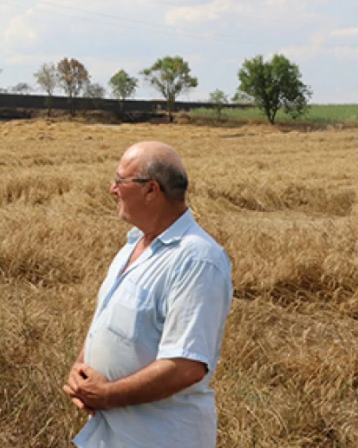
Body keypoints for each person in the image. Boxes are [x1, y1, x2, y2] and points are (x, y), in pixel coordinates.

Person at [63, 141, 233, 448]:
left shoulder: (197, 260)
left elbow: (186, 366)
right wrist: (80, 369)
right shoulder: (133, 245)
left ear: (151, 190)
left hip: (160, 437)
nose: (112, 189)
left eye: (120, 181)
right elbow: (107, 320)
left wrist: (108, 395)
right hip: (112, 433)